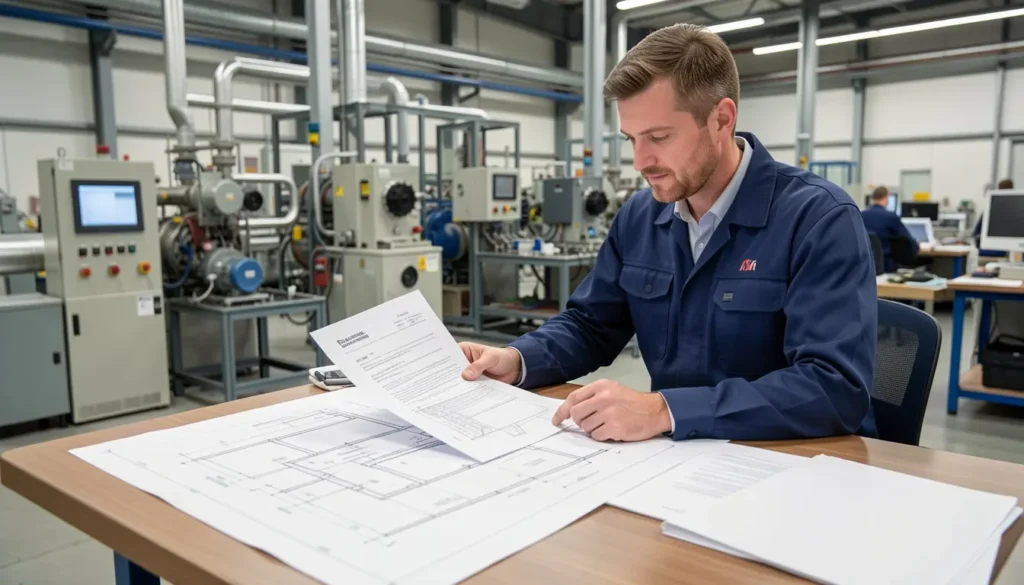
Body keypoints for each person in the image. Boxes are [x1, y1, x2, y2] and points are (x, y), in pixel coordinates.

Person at [459, 24, 877, 443]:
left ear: (721, 119)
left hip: (792, 464)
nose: (640, 162)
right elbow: (591, 325)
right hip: (675, 459)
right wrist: (516, 358)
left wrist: (665, 410)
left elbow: (832, 388)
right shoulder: (641, 216)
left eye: (659, 137)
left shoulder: (818, 219)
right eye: (631, 140)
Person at [861, 185, 917, 273]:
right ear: (885, 197)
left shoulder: (861, 215)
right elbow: (908, 241)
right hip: (886, 265)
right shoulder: (891, 217)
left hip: (865, 264)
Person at [974, 179, 1015, 256]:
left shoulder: (990, 209)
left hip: (987, 249)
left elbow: (976, 233)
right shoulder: (1015, 210)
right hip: (1004, 251)